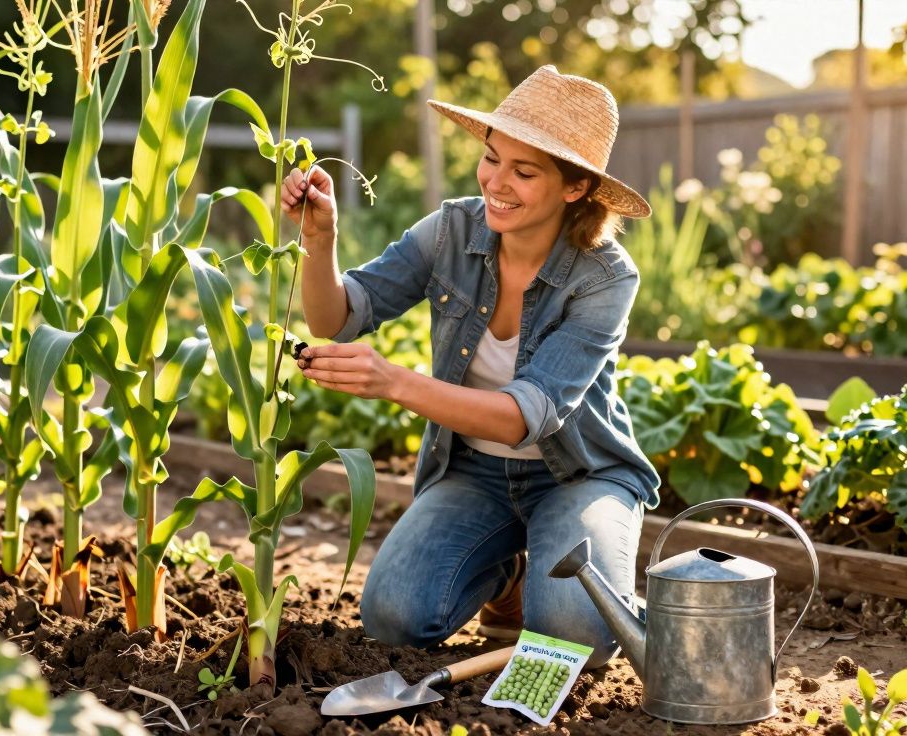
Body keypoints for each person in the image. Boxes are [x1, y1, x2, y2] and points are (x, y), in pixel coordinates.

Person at [280, 65, 660, 668]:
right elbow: (338, 318)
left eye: (524, 170)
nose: (496, 183)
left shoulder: (605, 277)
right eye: (491, 158)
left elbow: (522, 418)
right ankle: (505, 578)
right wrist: (319, 240)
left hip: (578, 475)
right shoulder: (452, 231)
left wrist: (394, 382)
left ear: (575, 188)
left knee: (573, 634)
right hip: (474, 473)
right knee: (395, 616)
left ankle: (559, 566)